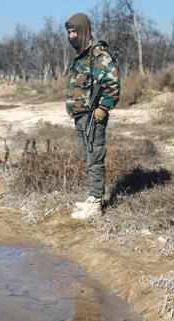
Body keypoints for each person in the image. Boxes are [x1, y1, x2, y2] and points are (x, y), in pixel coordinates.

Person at [65, 12, 120, 220]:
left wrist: (103, 108)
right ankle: (92, 196)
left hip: (93, 116)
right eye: (69, 32)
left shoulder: (98, 53)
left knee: (95, 157)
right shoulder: (82, 54)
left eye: (74, 31)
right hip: (80, 115)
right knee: (87, 157)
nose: (71, 36)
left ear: (83, 30)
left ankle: (96, 203)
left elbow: (112, 84)